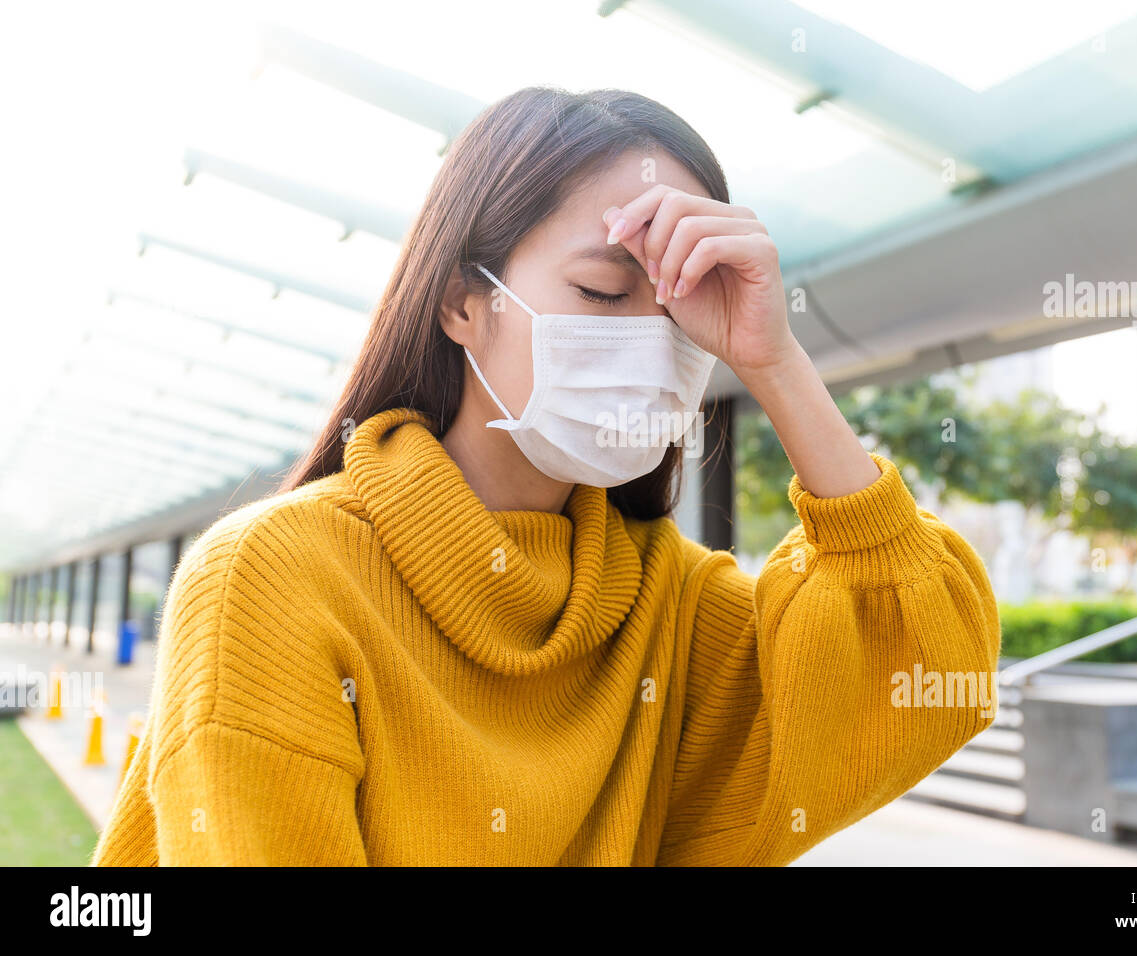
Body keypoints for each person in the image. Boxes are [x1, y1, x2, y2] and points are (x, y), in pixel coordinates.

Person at [91, 87, 1000, 867]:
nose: (650, 343)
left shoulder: (666, 599)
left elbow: (926, 668)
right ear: (460, 302)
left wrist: (774, 359)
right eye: (605, 295)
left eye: (683, 313)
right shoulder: (273, 580)